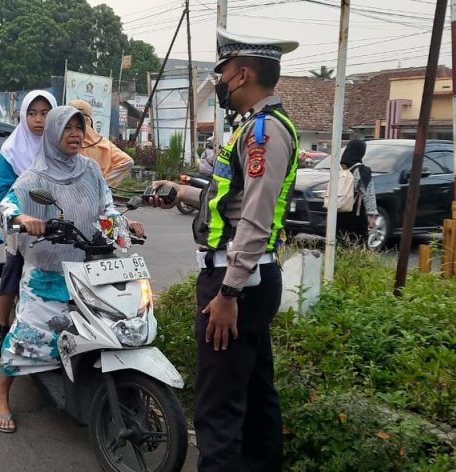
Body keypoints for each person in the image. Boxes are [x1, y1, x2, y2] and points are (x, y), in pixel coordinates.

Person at [147, 28, 300, 471]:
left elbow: (254, 219)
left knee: (218, 407)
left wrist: (228, 294)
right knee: (252, 394)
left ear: (243, 74)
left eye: (223, 71)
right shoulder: (254, 127)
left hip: (237, 281)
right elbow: (230, 202)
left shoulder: (262, 132)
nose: (220, 81)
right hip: (248, 277)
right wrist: (181, 191)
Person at [0, 106, 143, 433]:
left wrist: (124, 225)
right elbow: (7, 207)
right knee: (28, 335)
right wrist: (23, 219)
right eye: (67, 127)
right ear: (54, 133)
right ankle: (0, 395)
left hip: (89, 267)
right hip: (47, 274)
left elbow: (106, 207)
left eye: (79, 126)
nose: (74, 133)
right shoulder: (34, 177)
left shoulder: (89, 169)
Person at [0, 90, 57, 359]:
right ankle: (1, 326)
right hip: (22, 225)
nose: (39, 119)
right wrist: (22, 214)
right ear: (23, 116)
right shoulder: (11, 151)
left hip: (59, 223)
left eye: (45, 113)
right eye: (32, 113)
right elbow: (1, 193)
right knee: (13, 267)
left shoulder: (61, 147)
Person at [66, 99, 134, 186]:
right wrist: (104, 183)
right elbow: (127, 162)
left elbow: (127, 162)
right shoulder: (102, 142)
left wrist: (103, 184)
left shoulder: (64, 138)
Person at [335, 139, 378, 244]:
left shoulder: (338, 168)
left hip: (338, 210)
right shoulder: (362, 171)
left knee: (339, 242)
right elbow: (368, 194)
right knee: (360, 242)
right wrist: (372, 216)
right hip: (355, 213)